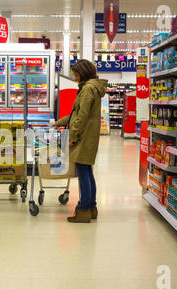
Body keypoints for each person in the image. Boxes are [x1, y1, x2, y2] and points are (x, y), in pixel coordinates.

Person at [55, 59, 107, 223]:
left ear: (82, 73)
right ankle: (91, 206)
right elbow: (77, 114)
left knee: (84, 172)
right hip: (89, 135)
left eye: (76, 74)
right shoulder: (92, 87)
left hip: (83, 137)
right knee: (87, 171)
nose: (75, 77)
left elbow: (82, 116)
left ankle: (84, 209)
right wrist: (60, 122)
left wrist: (73, 136)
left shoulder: (88, 89)